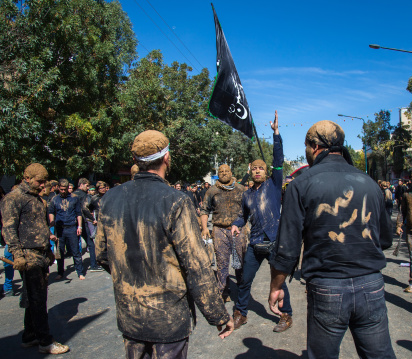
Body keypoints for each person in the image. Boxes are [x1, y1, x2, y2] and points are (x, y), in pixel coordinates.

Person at [95, 130, 233, 358]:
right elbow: (197, 267)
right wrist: (218, 315)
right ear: (166, 158)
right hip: (168, 318)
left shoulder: (110, 198)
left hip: (131, 315)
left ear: (135, 161)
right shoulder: (176, 201)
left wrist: (132, 278)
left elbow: (101, 254)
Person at [268, 120, 395, 359]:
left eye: (306, 146)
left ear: (315, 147)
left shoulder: (301, 184)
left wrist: (276, 286)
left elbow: (287, 248)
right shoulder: (369, 183)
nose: (306, 151)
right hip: (371, 285)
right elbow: (385, 239)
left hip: (328, 287)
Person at [231, 110, 293, 333]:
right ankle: (241, 313)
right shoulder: (246, 195)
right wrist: (237, 225)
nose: (257, 170)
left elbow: (278, 159)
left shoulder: (275, 184)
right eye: (254, 168)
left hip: (274, 242)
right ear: (250, 171)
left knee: (279, 282)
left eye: (261, 168)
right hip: (255, 244)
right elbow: (242, 216)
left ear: (266, 172)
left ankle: (286, 315)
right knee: (244, 281)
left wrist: (276, 134)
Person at [0, 163, 69, 354]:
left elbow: (41, 226)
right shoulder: (13, 199)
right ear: (27, 177)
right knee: (38, 298)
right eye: (40, 181)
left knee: (34, 297)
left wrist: (47, 250)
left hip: (40, 253)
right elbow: (8, 228)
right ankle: (45, 341)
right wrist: (17, 253)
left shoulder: (37, 199)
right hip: (28, 255)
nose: (42, 185)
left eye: (44, 181)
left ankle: (29, 335)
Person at [200, 164, 246, 302]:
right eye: (221, 171)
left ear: (231, 173)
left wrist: (248, 227)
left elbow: (248, 209)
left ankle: (242, 291)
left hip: (238, 230)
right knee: (222, 263)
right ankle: (223, 291)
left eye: (227, 171)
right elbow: (204, 210)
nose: (224, 173)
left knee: (241, 261)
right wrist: (204, 228)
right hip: (219, 230)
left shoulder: (241, 189)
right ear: (218, 173)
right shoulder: (212, 191)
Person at [48, 179, 85, 280]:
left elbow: (78, 213)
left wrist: (80, 226)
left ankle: (80, 272)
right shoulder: (54, 199)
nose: (63, 191)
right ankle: (60, 272)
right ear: (58, 188)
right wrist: (52, 222)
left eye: (65, 189)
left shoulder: (74, 198)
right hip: (60, 229)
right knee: (60, 252)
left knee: (75, 251)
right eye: (61, 189)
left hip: (72, 227)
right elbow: (51, 211)